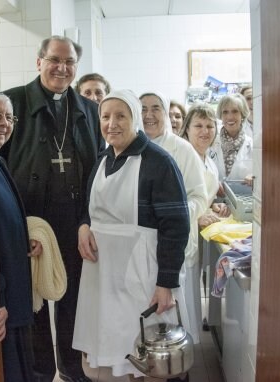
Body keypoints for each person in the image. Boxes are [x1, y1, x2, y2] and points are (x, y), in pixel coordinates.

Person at [0, 35, 103, 382]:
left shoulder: (90, 111)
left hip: (75, 222)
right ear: (39, 61)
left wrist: (88, 221)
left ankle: (74, 369)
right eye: (54, 60)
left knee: (74, 300)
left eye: (70, 62)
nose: (62, 68)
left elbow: (98, 172)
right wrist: (20, 226)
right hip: (32, 224)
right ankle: (41, 373)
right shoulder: (12, 102)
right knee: (36, 303)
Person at [74, 89, 190, 381]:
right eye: (105, 116)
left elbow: (176, 227)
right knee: (110, 350)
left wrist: (166, 283)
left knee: (142, 357)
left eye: (120, 116)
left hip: (141, 275)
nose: (112, 123)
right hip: (102, 276)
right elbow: (90, 208)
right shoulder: (103, 159)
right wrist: (84, 226)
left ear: (135, 118)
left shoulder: (158, 162)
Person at [140, 92, 207, 348]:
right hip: (141, 249)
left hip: (175, 243)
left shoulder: (182, 149)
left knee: (178, 308)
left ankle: (180, 360)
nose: (149, 114)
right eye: (143, 108)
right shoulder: (131, 147)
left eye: (156, 108)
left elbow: (199, 196)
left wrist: (171, 214)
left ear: (166, 114)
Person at [0, 93, 42, 382]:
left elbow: (2, 224)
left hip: (14, 296)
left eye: (9, 117)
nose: (4, 123)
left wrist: (24, 240)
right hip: (1, 304)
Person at [178, 102, 230, 228]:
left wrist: (212, 206)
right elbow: (171, 203)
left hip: (203, 234)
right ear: (187, 129)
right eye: (198, 126)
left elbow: (201, 197)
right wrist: (196, 218)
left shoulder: (210, 163)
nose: (205, 131)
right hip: (183, 230)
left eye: (210, 126)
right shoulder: (179, 158)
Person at [211, 94, 253, 183]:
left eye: (235, 111)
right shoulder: (210, 143)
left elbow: (260, 174)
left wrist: (255, 177)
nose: (230, 117)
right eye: (225, 112)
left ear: (242, 114)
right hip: (215, 195)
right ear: (220, 116)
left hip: (243, 195)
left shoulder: (252, 145)